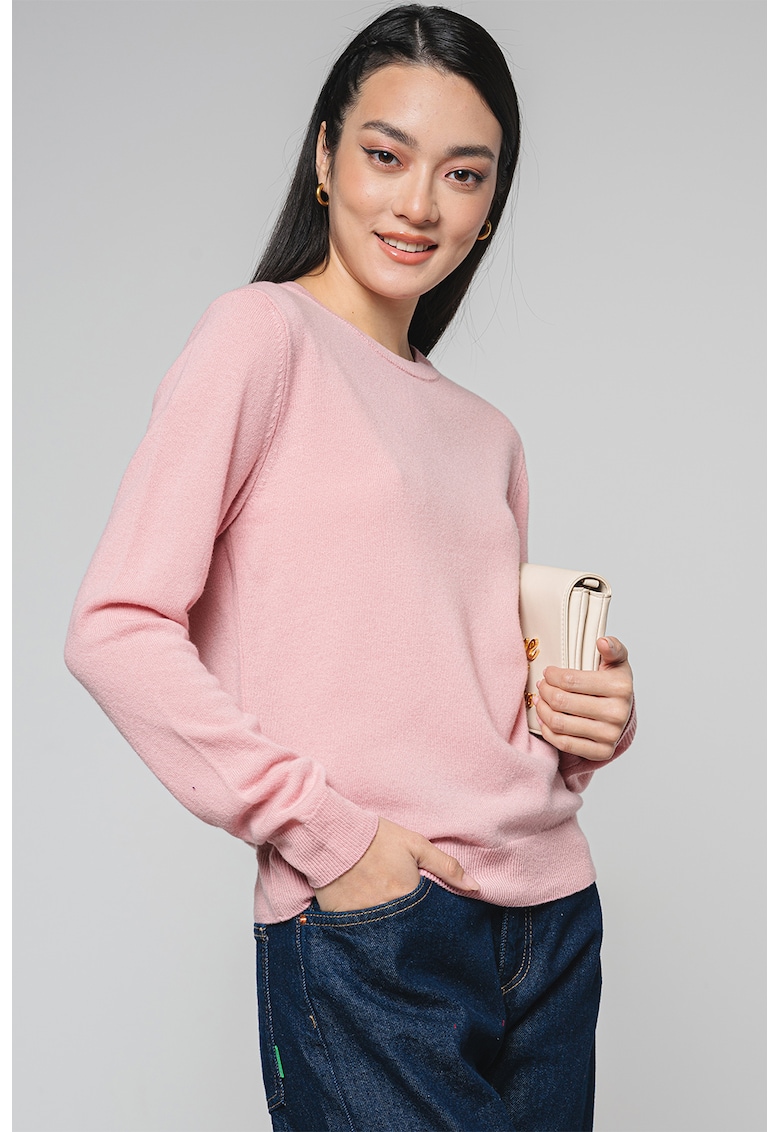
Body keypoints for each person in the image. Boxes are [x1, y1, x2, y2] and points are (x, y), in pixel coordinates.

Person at [65, 5, 636, 1130]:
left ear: (491, 205)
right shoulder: (260, 338)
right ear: (325, 158)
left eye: (463, 174)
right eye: (386, 154)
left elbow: (463, 685)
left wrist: (585, 722)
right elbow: (116, 627)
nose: (420, 203)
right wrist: (332, 837)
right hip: (379, 925)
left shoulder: (488, 435)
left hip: (553, 913)